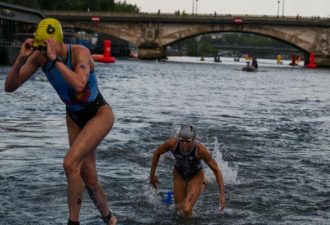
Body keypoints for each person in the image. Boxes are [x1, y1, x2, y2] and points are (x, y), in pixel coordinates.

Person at [4, 18, 117, 225]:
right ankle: (110, 219)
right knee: (89, 181)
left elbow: (80, 86)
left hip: (99, 113)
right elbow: (9, 87)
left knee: (70, 163)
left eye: (46, 46)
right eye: (40, 46)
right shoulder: (40, 58)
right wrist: (21, 59)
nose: (43, 51)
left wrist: (55, 60)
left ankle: (73, 222)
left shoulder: (80, 53)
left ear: (57, 42)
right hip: (74, 116)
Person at [150, 124, 226, 216]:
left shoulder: (201, 150)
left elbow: (217, 170)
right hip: (179, 174)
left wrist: (222, 194)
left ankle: (202, 182)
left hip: (196, 175)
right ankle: (202, 184)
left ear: (193, 139)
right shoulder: (172, 144)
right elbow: (157, 152)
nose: (184, 144)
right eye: (182, 140)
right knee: (178, 208)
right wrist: (152, 175)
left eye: (188, 141)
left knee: (186, 210)